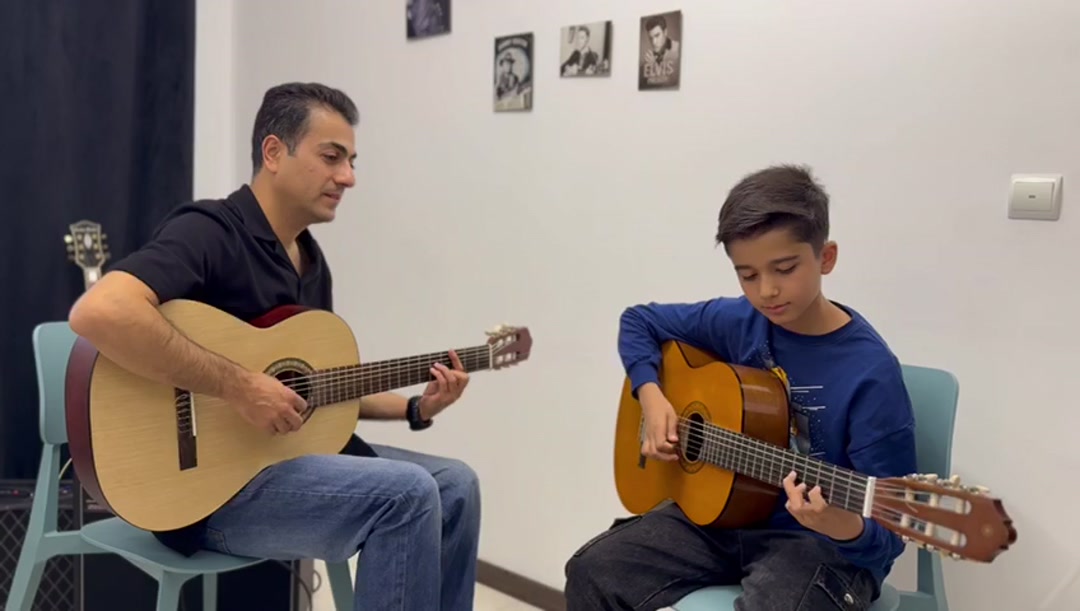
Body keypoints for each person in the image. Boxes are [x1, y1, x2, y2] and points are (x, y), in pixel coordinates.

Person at [67, 82, 481, 611]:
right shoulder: (210, 231)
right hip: (206, 491)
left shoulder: (311, 261)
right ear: (273, 152)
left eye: (352, 161)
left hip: (285, 461)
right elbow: (99, 310)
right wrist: (238, 385)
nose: (348, 177)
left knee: (457, 485)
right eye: (332, 157)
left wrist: (416, 408)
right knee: (406, 494)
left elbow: (316, 393)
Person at [564, 165, 917, 610]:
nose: (767, 291)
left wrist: (838, 522)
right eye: (747, 275)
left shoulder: (871, 373)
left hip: (819, 543)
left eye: (784, 269)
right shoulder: (740, 321)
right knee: (593, 570)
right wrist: (651, 396)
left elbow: (891, 531)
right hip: (726, 518)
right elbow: (639, 321)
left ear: (825, 257)